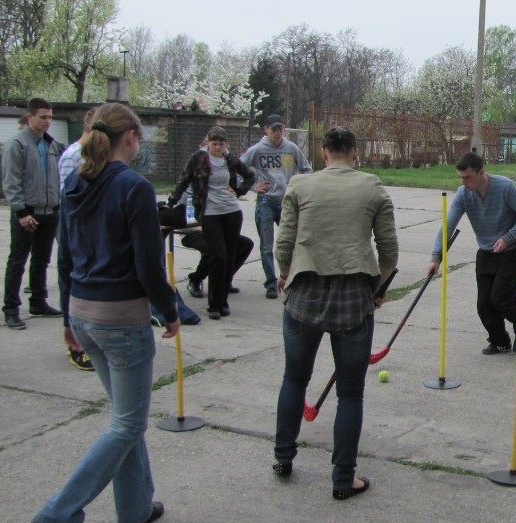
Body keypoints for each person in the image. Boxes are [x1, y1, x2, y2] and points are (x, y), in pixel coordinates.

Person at [31, 103, 179, 523]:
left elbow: (66, 258)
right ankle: (59, 513)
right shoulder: (133, 187)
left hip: (84, 313)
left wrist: (67, 322)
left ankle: (134, 509)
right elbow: (148, 263)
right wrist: (168, 311)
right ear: (131, 136)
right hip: (120, 320)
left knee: (123, 418)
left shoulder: (76, 182)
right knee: (128, 423)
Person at [272, 126, 398, 500]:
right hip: (353, 297)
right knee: (351, 393)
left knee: (294, 379)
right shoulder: (372, 187)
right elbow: (389, 252)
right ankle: (343, 478)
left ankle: (283, 456)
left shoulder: (300, 185)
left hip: (305, 293)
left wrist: (283, 275)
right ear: (354, 152)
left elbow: (284, 243)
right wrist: (378, 289)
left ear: (324, 152)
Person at [427, 152, 516, 355]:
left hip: (512, 249)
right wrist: (436, 257)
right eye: (461, 178)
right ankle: (499, 340)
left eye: (468, 177)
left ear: (481, 172)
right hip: (486, 250)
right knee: (484, 304)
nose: (464, 182)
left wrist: (508, 238)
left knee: (501, 298)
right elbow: (448, 226)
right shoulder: (463, 194)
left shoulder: (506, 187)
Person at [167, 127, 255, 319]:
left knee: (230, 256)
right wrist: (171, 202)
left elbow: (250, 175)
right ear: (208, 142)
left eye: (221, 144)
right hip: (209, 213)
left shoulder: (229, 159)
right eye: (214, 144)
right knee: (219, 256)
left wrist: (239, 191)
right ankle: (214, 304)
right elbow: (183, 181)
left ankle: (223, 302)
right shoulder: (198, 158)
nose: (218, 147)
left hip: (231, 211)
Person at [1, 98, 64, 330]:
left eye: (50, 117)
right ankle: (11, 309)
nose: (48, 121)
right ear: (30, 117)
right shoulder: (17, 144)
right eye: (43, 117)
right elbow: (11, 182)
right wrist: (21, 212)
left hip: (49, 212)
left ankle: (38, 302)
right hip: (27, 214)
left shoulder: (50, 145)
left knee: (42, 260)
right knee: (17, 261)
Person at [240, 114, 311, 300]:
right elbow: (238, 168)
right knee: (267, 245)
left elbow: (306, 169)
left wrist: (298, 185)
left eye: (280, 129)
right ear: (266, 130)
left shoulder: (291, 148)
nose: (277, 133)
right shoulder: (257, 150)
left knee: (293, 242)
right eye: (274, 130)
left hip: (286, 202)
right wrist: (254, 186)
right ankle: (271, 284)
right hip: (266, 202)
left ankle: (293, 278)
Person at [57, 107, 97, 371]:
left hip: (87, 230)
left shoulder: (89, 155)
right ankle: (75, 344)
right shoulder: (75, 155)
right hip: (76, 230)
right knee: (73, 283)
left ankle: (88, 339)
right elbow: (71, 198)